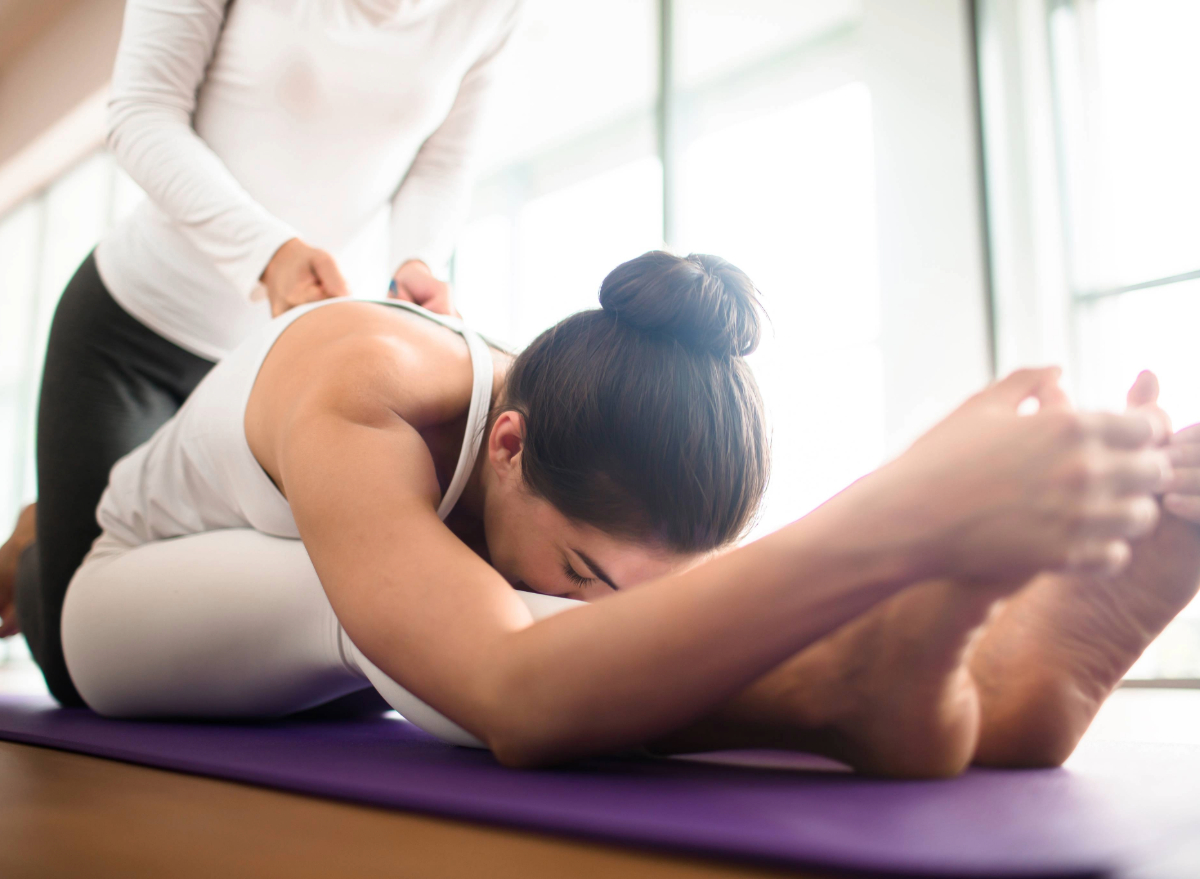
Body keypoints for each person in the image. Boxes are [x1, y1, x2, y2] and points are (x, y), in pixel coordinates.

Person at [5, 250, 1197, 774]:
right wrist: (896, 522)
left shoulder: (577, 405)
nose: (600, 604)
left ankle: (964, 681)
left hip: (236, 521)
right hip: (114, 600)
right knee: (389, 614)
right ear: (505, 446)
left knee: (460, 598)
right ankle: (845, 690)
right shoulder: (361, 390)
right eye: (588, 569)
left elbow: (602, 602)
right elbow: (515, 696)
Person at [2, 0, 520, 703]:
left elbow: (440, 165)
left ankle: (69, 515)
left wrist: (415, 265)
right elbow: (141, 114)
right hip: (134, 334)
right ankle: (44, 538)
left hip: (273, 369)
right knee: (76, 669)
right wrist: (266, 252)